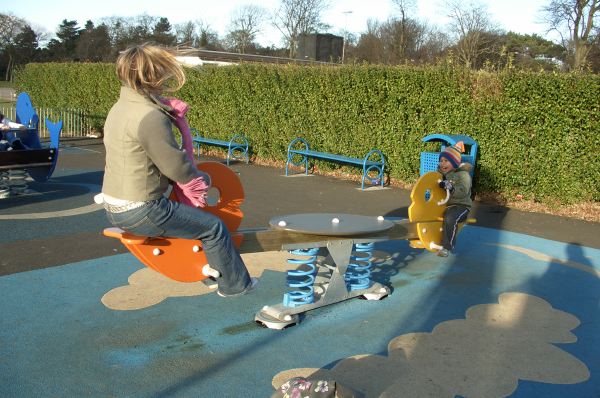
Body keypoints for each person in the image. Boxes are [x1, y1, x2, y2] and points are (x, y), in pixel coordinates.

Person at [101, 43, 256, 297]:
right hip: (142, 210)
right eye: (163, 73)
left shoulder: (119, 108)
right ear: (153, 76)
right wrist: (202, 179)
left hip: (113, 205)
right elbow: (175, 167)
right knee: (213, 228)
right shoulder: (150, 116)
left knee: (191, 222)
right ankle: (236, 286)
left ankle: (213, 273)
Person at [436, 141, 472, 257]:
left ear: (454, 162)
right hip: (444, 205)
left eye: (446, 161)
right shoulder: (439, 175)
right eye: (441, 161)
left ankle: (447, 247)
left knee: (450, 217)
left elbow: (463, 191)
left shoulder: (463, 175)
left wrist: (451, 188)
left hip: (460, 205)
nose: (442, 164)